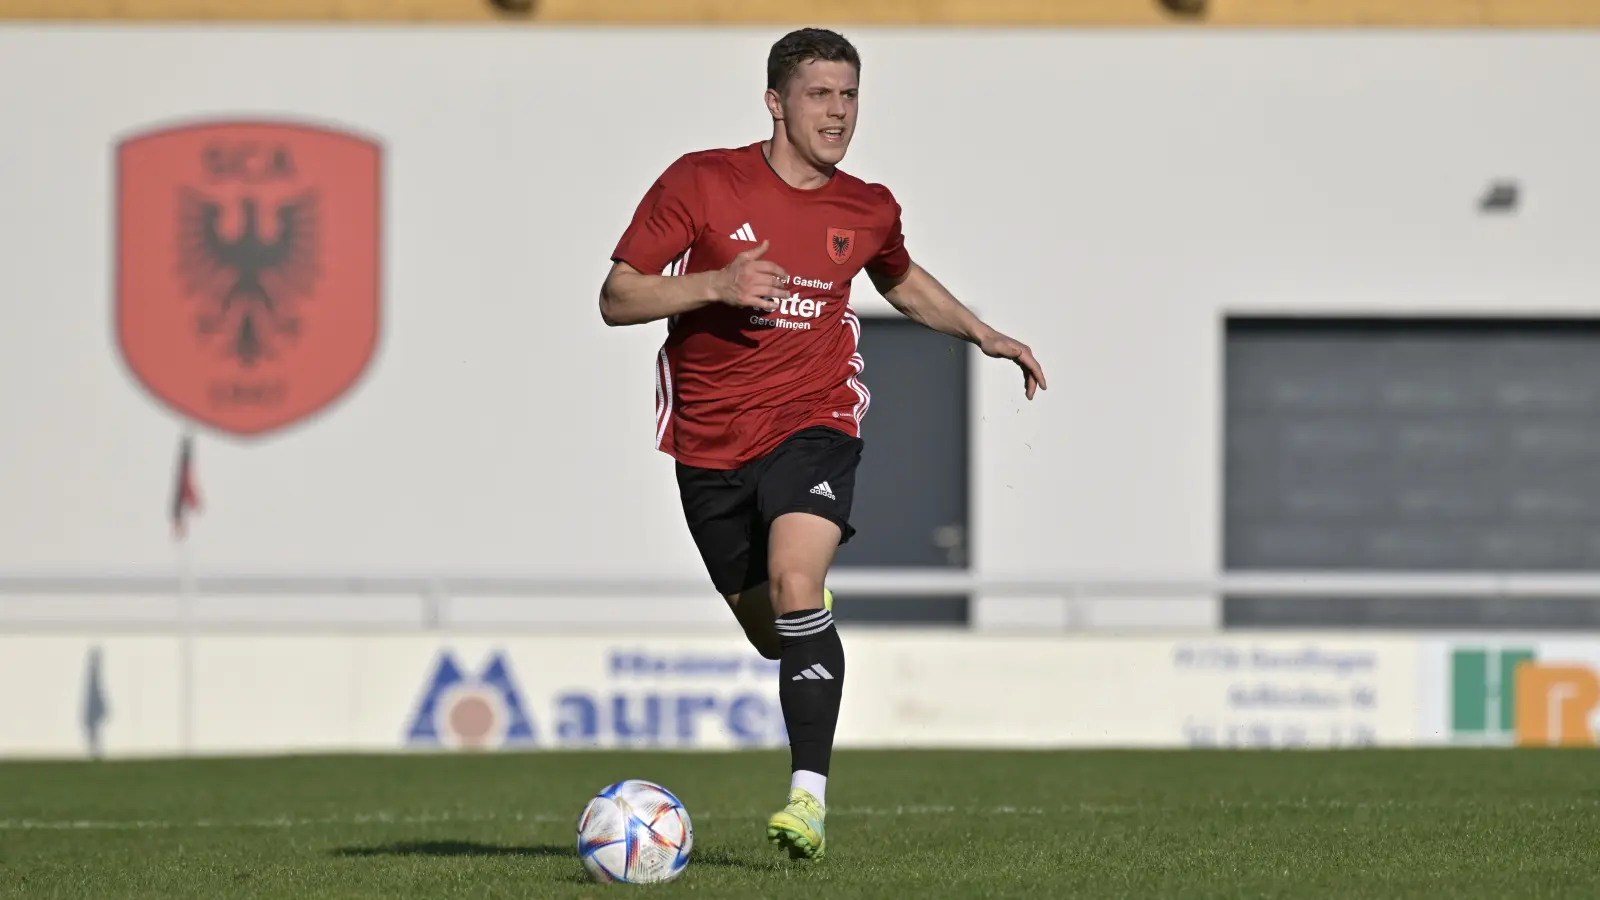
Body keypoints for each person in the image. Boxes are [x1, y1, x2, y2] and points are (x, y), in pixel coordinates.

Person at [598, 27, 1046, 862]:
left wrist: (981, 332)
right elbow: (618, 297)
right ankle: (803, 615)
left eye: (849, 95)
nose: (838, 113)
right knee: (777, 633)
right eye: (820, 95)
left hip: (814, 421)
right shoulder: (702, 181)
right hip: (708, 443)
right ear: (776, 102)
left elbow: (900, 279)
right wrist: (717, 284)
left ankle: (808, 800)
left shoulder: (868, 207)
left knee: (797, 583)